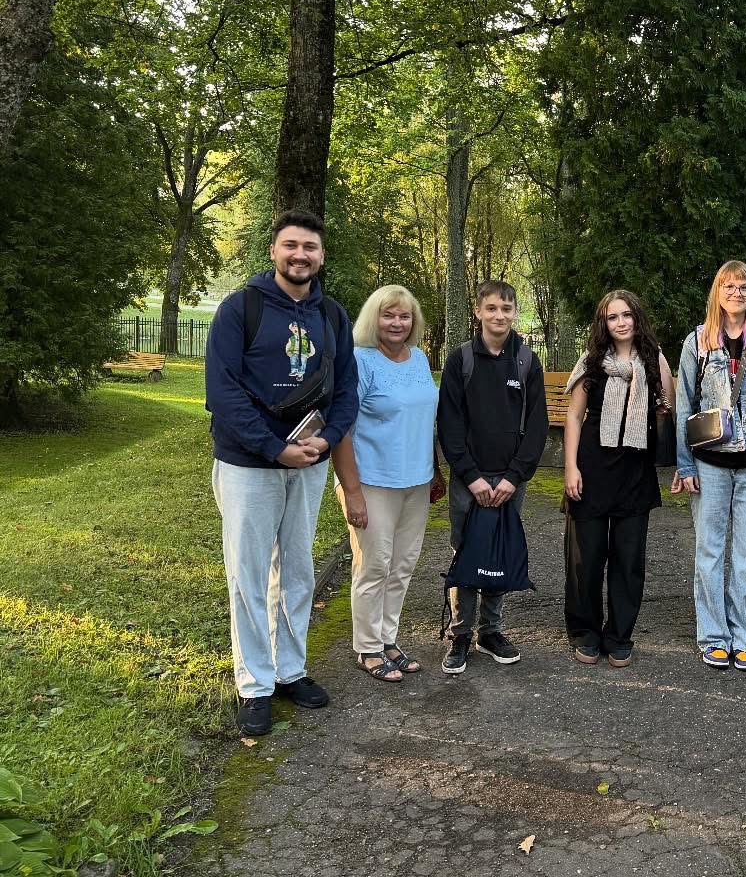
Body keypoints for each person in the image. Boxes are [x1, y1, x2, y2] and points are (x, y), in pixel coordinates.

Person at [205, 210, 358, 737]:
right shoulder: (240, 309)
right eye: (291, 245)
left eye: (310, 247)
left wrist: (326, 439)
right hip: (249, 464)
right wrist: (275, 448)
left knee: (296, 569)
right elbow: (222, 393)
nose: (300, 254)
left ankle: (290, 670)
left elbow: (346, 391)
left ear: (321, 256)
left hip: (309, 463)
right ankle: (254, 685)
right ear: (274, 251)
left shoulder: (332, 315)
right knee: (248, 574)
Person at [673, 261, 746, 671]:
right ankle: (714, 636)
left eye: (744, 287)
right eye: (729, 286)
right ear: (717, 292)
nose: (737, 293)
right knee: (710, 551)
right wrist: (685, 465)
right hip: (710, 464)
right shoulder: (698, 341)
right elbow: (684, 404)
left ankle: (745, 637)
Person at [331, 285, 444, 683]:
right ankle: (367, 648)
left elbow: (423, 420)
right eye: (388, 315)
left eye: (404, 316)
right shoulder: (359, 361)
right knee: (374, 564)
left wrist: (434, 470)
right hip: (371, 482)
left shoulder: (419, 358)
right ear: (373, 318)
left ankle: (387, 638)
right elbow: (341, 429)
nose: (397, 323)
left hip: (416, 481)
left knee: (402, 565)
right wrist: (352, 491)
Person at [436, 280, 547, 674]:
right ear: (478, 312)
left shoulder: (527, 361)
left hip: (510, 481)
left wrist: (514, 477)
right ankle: (460, 634)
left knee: (498, 549)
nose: (499, 315)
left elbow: (537, 426)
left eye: (507, 308)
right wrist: (471, 476)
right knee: (466, 550)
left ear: (515, 313)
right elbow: (449, 424)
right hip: (469, 481)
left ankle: (490, 631)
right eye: (492, 308)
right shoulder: (461, 360)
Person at [562, 290, 675, 667]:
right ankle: (586, 632)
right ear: (603, 323)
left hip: (634, 470)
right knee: (586, 560)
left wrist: (659, 372)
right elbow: (574, 416)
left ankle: (619, 635)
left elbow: (668, 408)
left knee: (628, 561)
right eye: (613, 317)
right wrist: (571, 467)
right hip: (592, 468)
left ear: (637, 318)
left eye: (627, 315)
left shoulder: (654, 358)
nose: (621, 322)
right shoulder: (591, 361)